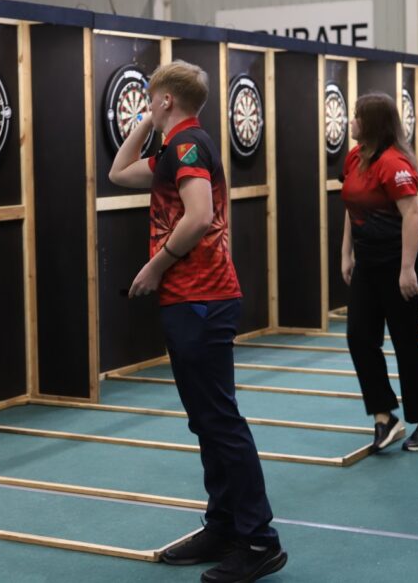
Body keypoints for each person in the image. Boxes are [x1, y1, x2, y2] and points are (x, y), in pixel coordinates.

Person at [109, 60, 287, 583]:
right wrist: (150, 119)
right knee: (207, 420)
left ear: (167, 99)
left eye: (152, 97)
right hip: (190, 298)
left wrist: (155, 266)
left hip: (202, 297)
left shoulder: (187, 146)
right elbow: (119, 171)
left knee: (220, 421)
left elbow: (200, 216)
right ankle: (224, 525)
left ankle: (259, 540)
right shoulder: (173, 146)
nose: (147, 103)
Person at [341, 93, 418, 452]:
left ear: (372, 123)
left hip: (399, 262)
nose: (351, 122)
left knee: (406, 342)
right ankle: (384, 417)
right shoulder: (354, 158)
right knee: (359, 337)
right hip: (367, 262)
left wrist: (406, 269)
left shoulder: (393, 163)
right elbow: (351, 208)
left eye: (356, 116)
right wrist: (346, 253)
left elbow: (412, 215)